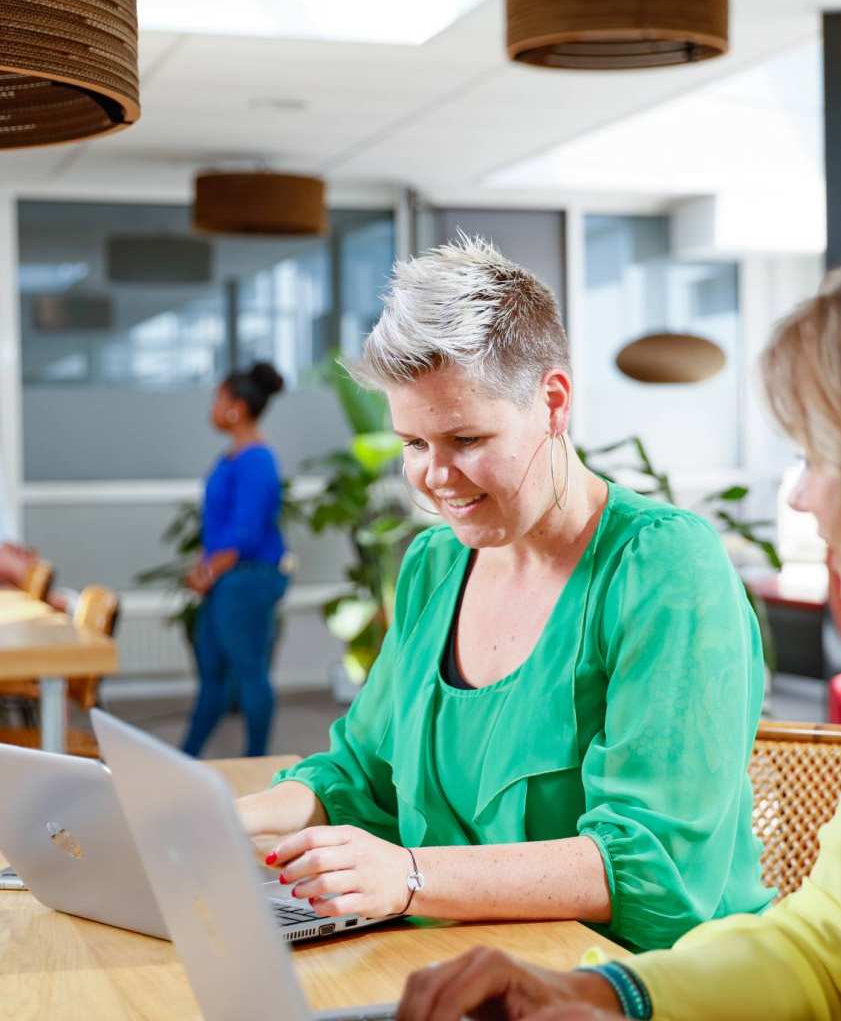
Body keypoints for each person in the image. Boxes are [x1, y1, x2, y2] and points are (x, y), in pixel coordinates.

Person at [395, 239, 841, 1021]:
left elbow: (655, 860)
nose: (800, 499)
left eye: (820, 455)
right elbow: (828, 939)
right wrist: (608, 991)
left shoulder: (663, 561)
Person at [236, 237, 771, 951]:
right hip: (459, 960)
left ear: (553, 402)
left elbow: (651, 865)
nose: (435, 476)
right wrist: (229, 819)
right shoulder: (434, 564)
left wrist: (413, 877)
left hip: (634, 983)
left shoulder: (665, 569)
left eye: (465, 437)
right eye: (415, 444)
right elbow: (360, 777)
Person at [181, 361, 289, 758]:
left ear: (236, 407)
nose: (213, 407)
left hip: (247, 580)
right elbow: (219, 525)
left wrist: (209, 573)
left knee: (249, 672)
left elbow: (244, 533)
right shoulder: (233, 457)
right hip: (224, 579)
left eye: (218, 399)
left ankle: (258, 762)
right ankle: (185, 758)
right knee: (212, 674)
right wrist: (204, 569)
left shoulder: (257, 460)